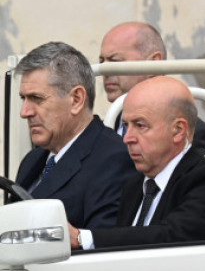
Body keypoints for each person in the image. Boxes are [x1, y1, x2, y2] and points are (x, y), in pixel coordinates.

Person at [69, 76, 205, 249]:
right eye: (125, 125)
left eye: (140, 125)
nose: (127, 138)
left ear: (178, 130)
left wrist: (82, 238)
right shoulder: (134, 185)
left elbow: (170, 238)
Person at [14, 42, 136, 229]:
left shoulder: (114, 160)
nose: (25, 112)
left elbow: (101, 248)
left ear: (76, 99)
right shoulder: (33, 160)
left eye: (37, 99)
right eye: (24, 99)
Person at [99, 21, 205, 154]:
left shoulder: (194, 136)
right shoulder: (107, 126)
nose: (105, 71)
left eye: (115, 61)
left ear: (154, 63)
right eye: (101, 62)